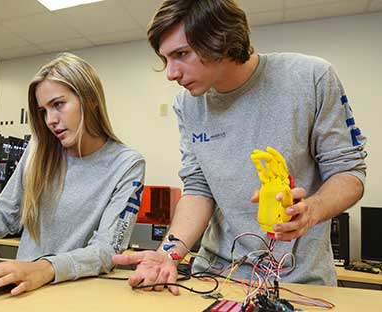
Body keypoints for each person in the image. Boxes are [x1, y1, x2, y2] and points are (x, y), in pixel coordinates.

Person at [113, 0, 366, 294]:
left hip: (296, 281)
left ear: (221, 38)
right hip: (214, 277)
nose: (170, 73)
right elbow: (198, 189)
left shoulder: (311, 78)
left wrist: (312, 210)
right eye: (165, 59)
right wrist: (168, 253)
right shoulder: (187, 104)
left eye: (181, 54)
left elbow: (350, 173)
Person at [0, 52, 145, 296]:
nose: (50, 120)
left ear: (90, 99)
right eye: (43, 111)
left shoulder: (127, 164)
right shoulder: (39, 149)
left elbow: (107, 249)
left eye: (58, 105)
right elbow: (6, 215)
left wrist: (44, 268)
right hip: (20, 290)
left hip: (74, 293)